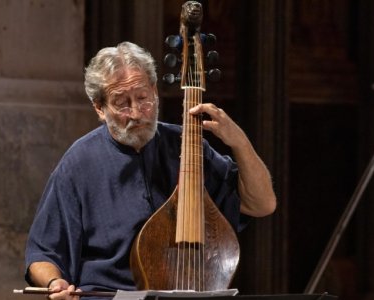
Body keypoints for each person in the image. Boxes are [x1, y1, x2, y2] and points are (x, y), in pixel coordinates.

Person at [24, 41, 276, 299]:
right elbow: (42, 254)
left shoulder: (189, 148)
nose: (136, 113)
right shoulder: (78, 163)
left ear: (155, 92)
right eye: (122, 103)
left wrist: (238, 141)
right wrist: (55, 282)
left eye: (143, 98)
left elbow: (262, 204)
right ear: (100, 109)